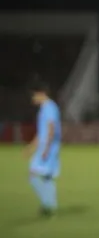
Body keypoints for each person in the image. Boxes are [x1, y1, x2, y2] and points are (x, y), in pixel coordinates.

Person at [24, 81, 62, 216]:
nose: (32, 98)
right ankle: (50, 205)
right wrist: (31, 147)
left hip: (48, 147)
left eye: (34, 95)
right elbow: (42, 132)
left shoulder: (49, 107)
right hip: (47, 146)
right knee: (47, 177)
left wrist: (46, 149)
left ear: (41, 94)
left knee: (32, 175)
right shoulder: (45, 108)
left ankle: (47, 204)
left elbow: (51, 128)